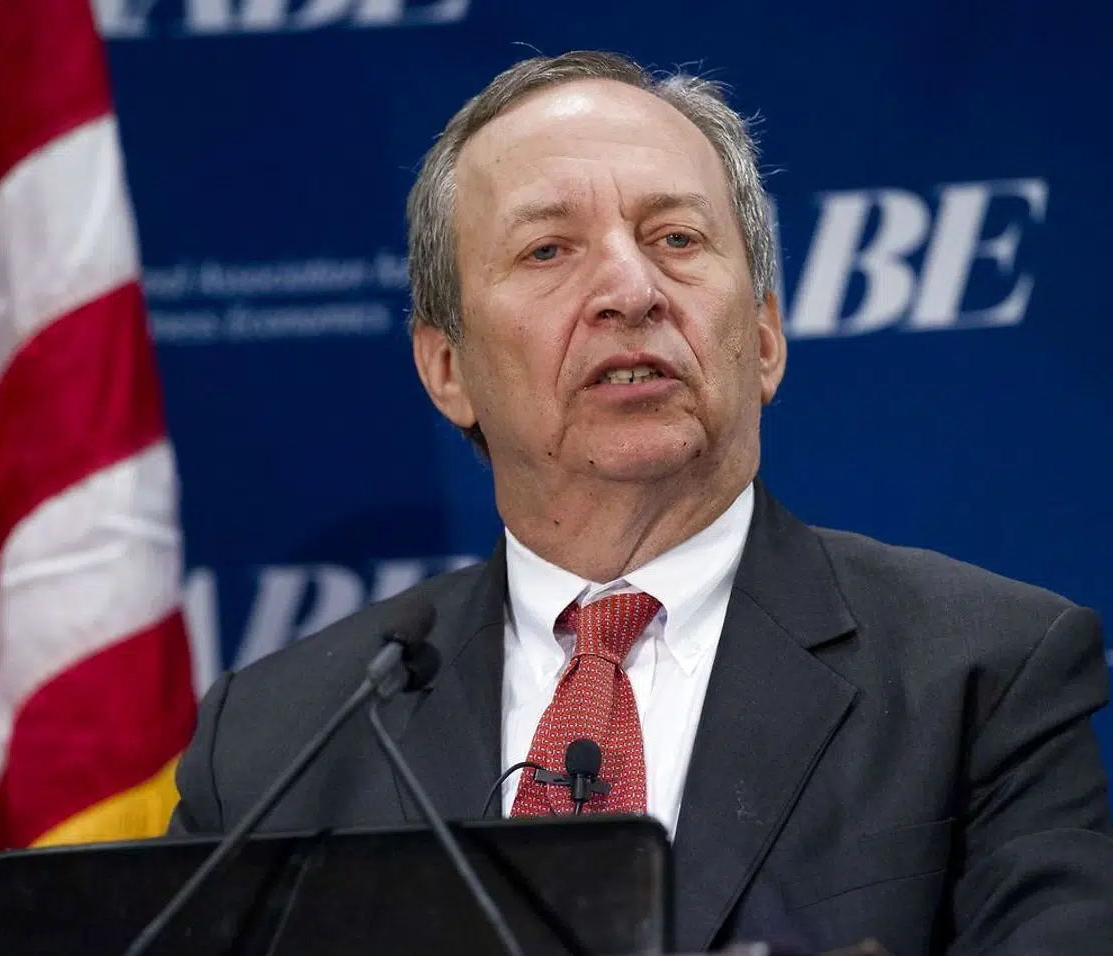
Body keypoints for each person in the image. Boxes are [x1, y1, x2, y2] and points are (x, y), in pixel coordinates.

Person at [168, 50, 1113, 954]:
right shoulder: (275, 744)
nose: (630, 289)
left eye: (676, 239)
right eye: (548, 250)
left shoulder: (983, 677)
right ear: (447, 369)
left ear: (766, 335)